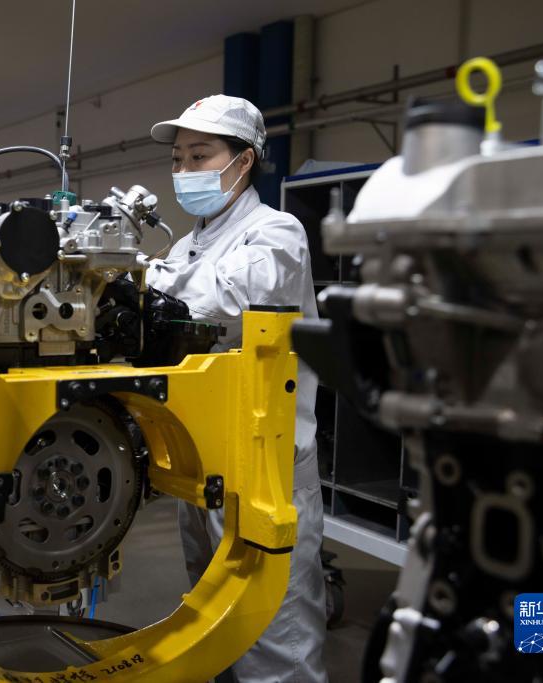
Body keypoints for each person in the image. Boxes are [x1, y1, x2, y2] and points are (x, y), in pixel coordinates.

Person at [145, 95, 327, 683]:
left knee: (274, 632)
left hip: (263, 464)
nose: (184, 170)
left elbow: (228, 295)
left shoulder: (277, 232)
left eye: (200, 156)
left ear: (243, 162)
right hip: (199, 461)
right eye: (178, 159)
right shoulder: (183, 247)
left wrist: (136, 277)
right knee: (210, 618)